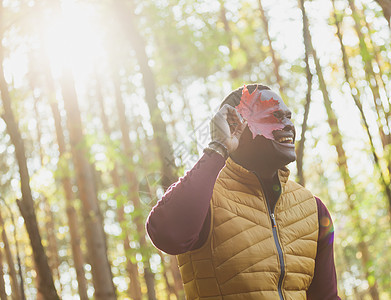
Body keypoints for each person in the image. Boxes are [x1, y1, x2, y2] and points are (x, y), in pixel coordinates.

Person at [146, 84, 340, 300]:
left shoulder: (314, 209)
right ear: (235, 126)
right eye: (274, 115)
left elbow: (327, 296)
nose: (288, 124)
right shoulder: (205, 197)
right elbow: (167, 235)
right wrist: (218, 147)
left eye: (288, 116)